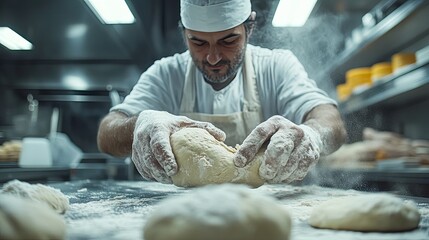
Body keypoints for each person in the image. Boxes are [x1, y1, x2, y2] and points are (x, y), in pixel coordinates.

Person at [97, 0, 347, 184]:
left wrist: (312, 134)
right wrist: (140, 124)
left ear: (249, 28)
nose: (213, 57)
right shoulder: (166, 74)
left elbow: (331, 122)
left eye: (228, 41)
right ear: (184, 34)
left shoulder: (276, 66)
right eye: (198, 42)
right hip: (186, 217)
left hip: (266, 214)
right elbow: (106, 133)